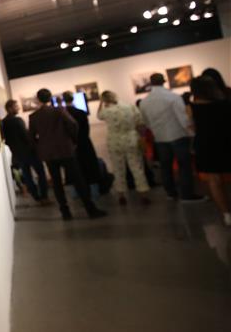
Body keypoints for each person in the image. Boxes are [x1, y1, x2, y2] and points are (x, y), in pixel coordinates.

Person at [28, 88, 107, 220]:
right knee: (78, 180)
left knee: (57, 183)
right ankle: (90, 209)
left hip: (49, 154)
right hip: (66, 150)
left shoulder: (34, 116)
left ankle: (65, 212)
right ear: (50, 97)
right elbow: (73, 124)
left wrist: (41, 146)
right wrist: (73, 140)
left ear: (38, 99)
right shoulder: (58, 110)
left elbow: (31, 137)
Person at [138, 73, 205, 203]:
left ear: (151, 83)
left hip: (160, 138)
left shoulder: (145, 102)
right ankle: (187, 194)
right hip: (178, 135)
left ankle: (170, 193)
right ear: (164, 81)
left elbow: (146, 122)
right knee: (184, 166)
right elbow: (183, 119)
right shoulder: (173, 97)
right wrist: (192, 134)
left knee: (166, 166)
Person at [187, 76, 231, 226]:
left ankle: (226, 215)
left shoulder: (190, 108)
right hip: (226, 141)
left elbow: (192, 128)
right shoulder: (225, 103)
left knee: (214, 180)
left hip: (205, 144)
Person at [97, 91, 151, 206]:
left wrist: (101, 103)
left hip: (114, 141)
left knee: (118, 168)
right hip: (131, 138)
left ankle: (121, 195)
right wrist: (142, 137)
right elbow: (140, 123)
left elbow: (98, 115)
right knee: (137, 167)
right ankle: (143, 194)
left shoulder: (106, 111)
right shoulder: (130, 107)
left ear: (104, 100)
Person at [1, 99, 49, 204]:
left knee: (27, 177)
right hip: (29, 152)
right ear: (9, 108)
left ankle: (37, 198)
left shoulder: (4, 122)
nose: (18, 108)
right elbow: (26, 137)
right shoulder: (17, 120)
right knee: (40, 173)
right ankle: (44, 197)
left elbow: (6, 140)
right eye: (16, 106)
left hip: (18, 154)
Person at [62, 91, 101, 190]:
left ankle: (78, 190)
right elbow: (86, 130)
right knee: (88, 166)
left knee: (75, 168)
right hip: (84, 143)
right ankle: (93, 188)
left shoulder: (62, 114)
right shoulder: (81, 112)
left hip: (69, 145)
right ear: (73, 99)